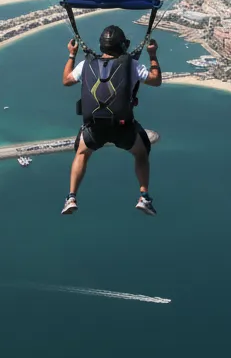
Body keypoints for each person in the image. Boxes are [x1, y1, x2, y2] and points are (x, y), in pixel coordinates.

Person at [60, 24, 161, 216]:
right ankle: (144, 197)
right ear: (123, 45)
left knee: (82, 153)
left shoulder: (85, 64)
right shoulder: (131, 65)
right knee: (141, 153)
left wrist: (72, 54)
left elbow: (66, 80)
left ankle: (71, 197)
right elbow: (155, 80)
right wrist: (153, 55)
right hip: (123, 128)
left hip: (94, 128)